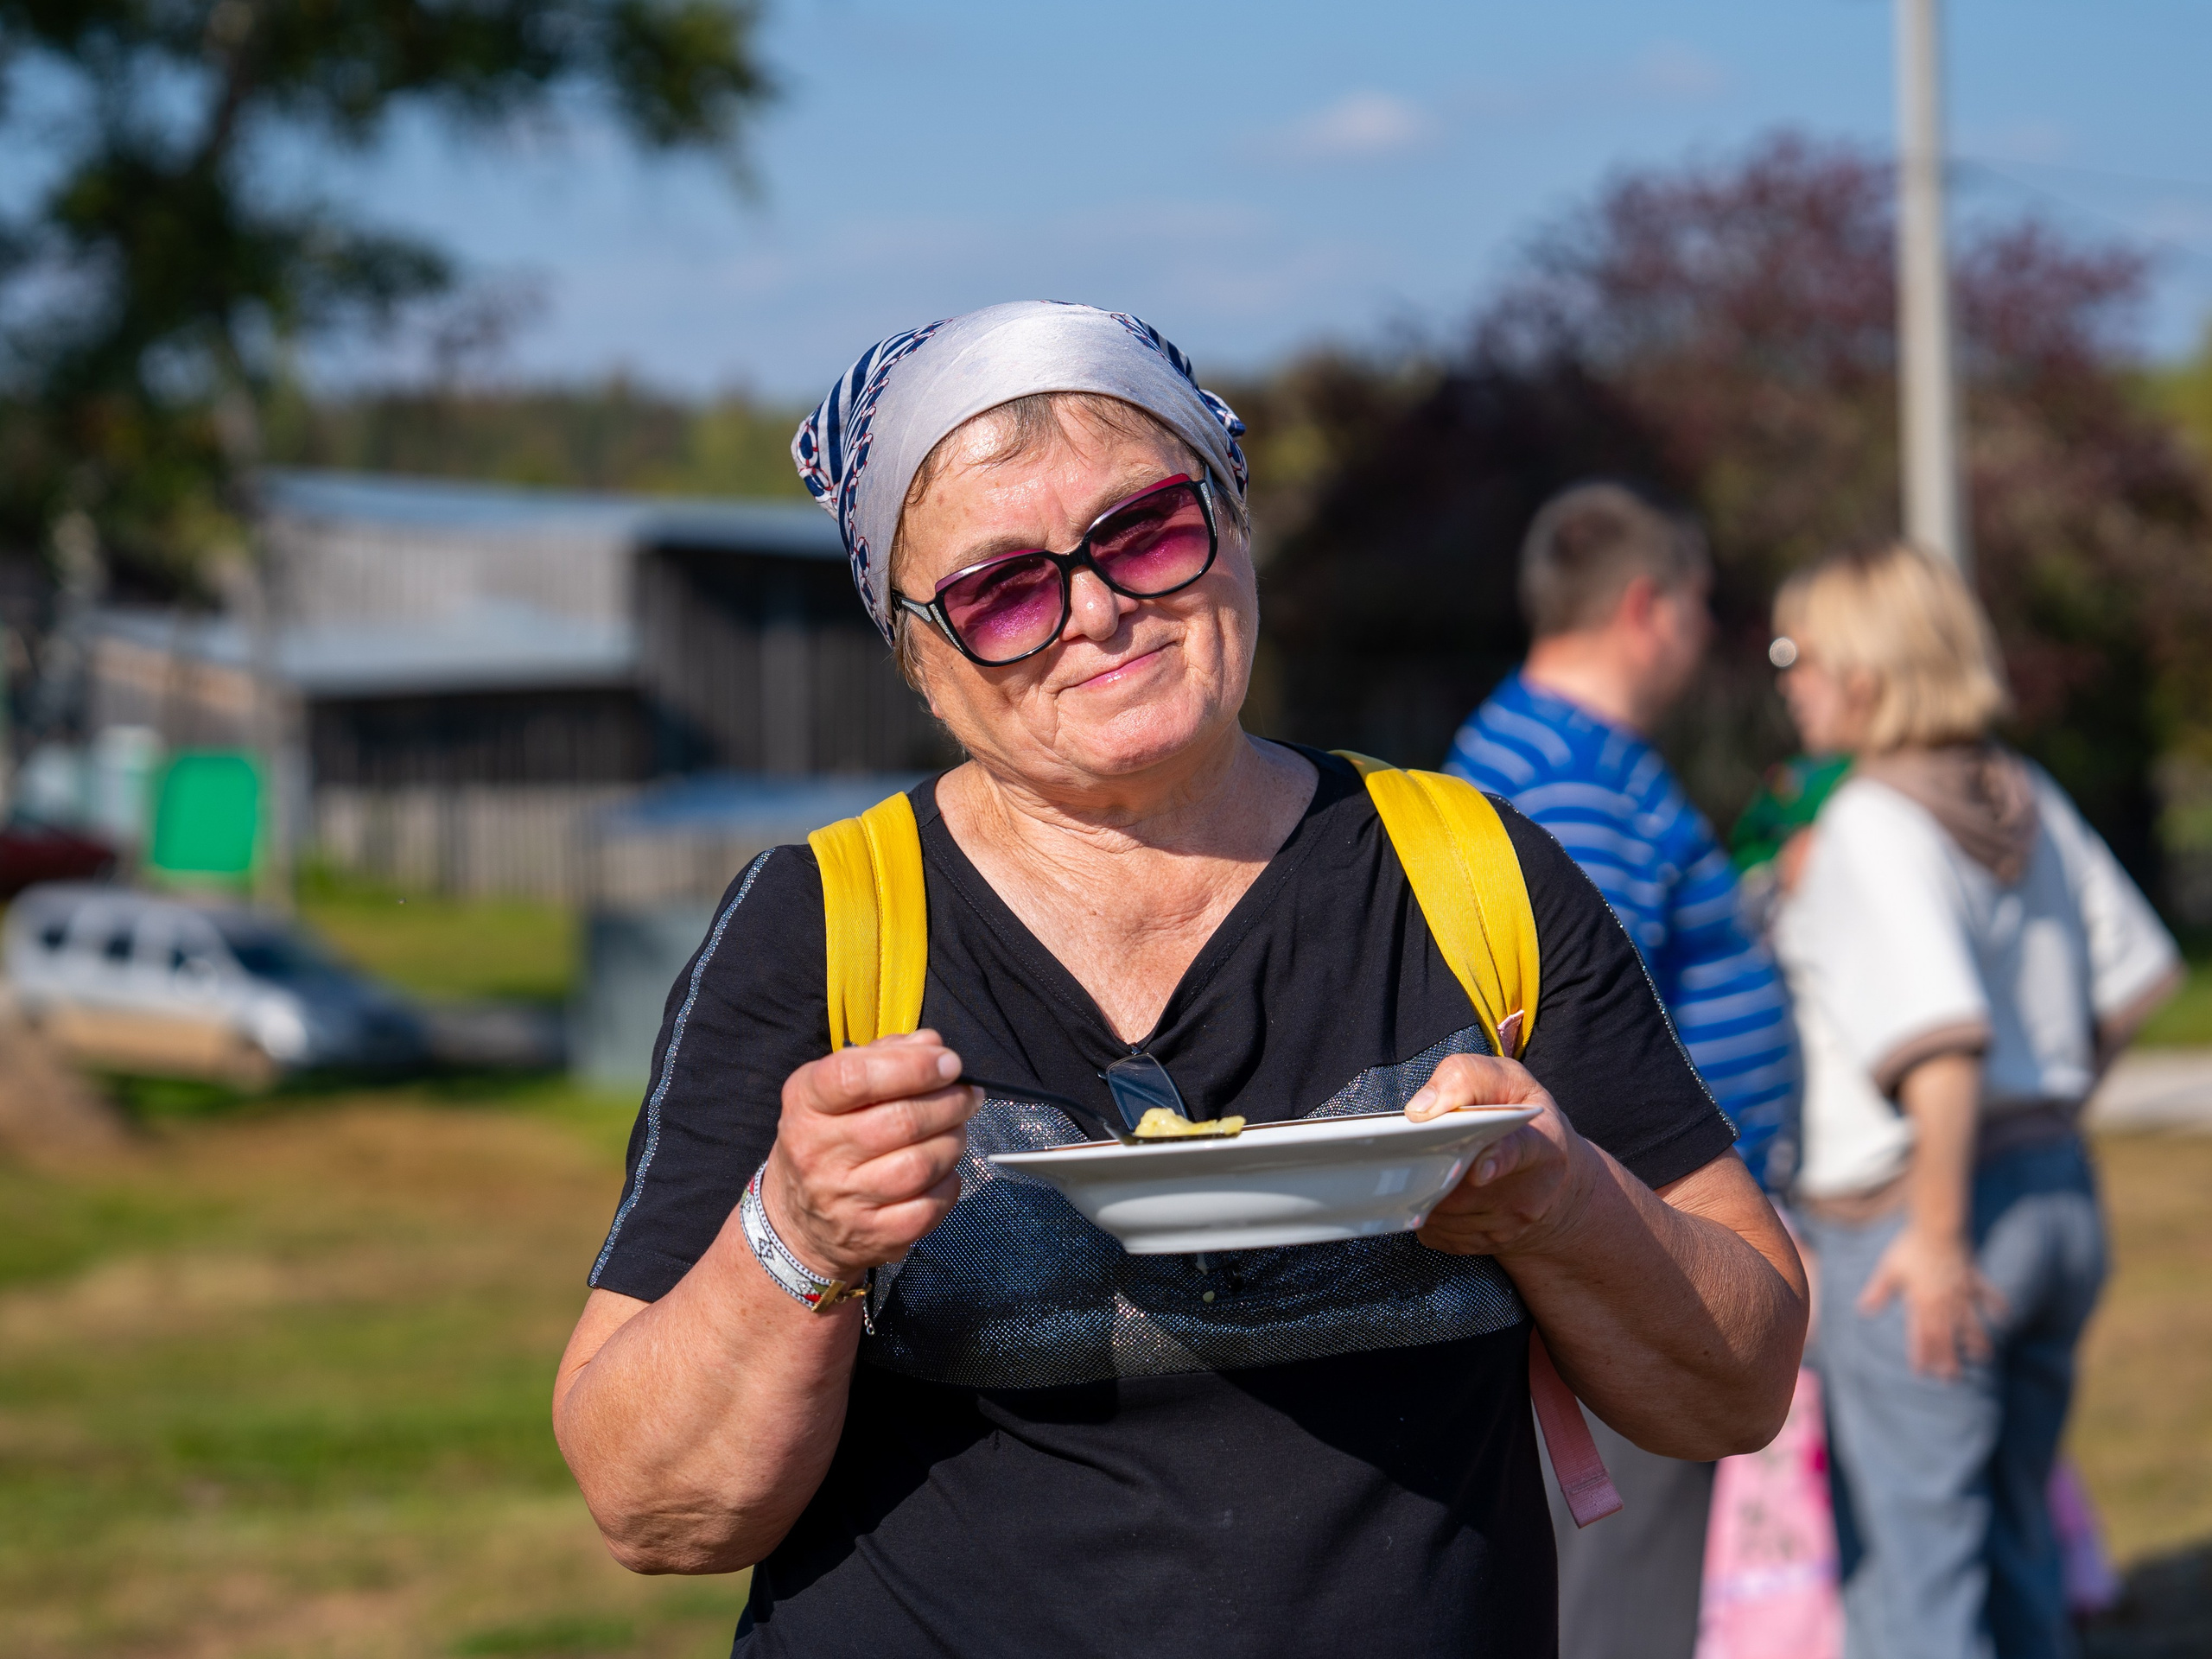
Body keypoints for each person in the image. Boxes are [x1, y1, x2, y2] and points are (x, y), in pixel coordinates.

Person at [550, 301, 1808, 1657]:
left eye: (1146, 529)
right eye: (1002, 591)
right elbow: (651, 1509)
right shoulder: (827, 925)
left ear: (1235, 517)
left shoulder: (1471, 873)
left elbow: (1737, 1384)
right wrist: (799, 1234)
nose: (1096, 611)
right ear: (917, 653)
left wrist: (1566, 1201)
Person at [1769, 543, 2180, 1659]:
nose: (1785, 679)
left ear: (1862, 669)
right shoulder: (2020, 789)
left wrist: (1942, 1232)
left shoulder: (1871, 823)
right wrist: (2044, 1111)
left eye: (1794, 651)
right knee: (2014, 1551)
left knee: (1918, 1581)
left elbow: (1941, 1050)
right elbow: (2142, 972)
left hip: (1925, 1226)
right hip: (2053, 1196)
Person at [1446, 480, 1802, 1659]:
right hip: (1631, 1242)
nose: (1706, 638)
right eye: (1702, 607)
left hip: (1642, 1225)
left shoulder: (1577, 755)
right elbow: (1580, 1046)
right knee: (1624, 1604)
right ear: (1649, 607)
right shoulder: (1565, 780)